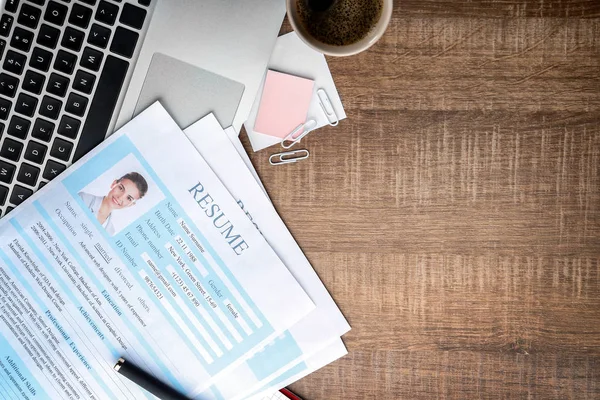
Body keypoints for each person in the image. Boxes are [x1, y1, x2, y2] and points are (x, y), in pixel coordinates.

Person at [78, 172, 149, 235]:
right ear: (114, 184)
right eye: (121, 188)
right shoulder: (83, 199)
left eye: (129, 198)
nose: (120, 197)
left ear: (130, 204)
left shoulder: (110, 232)